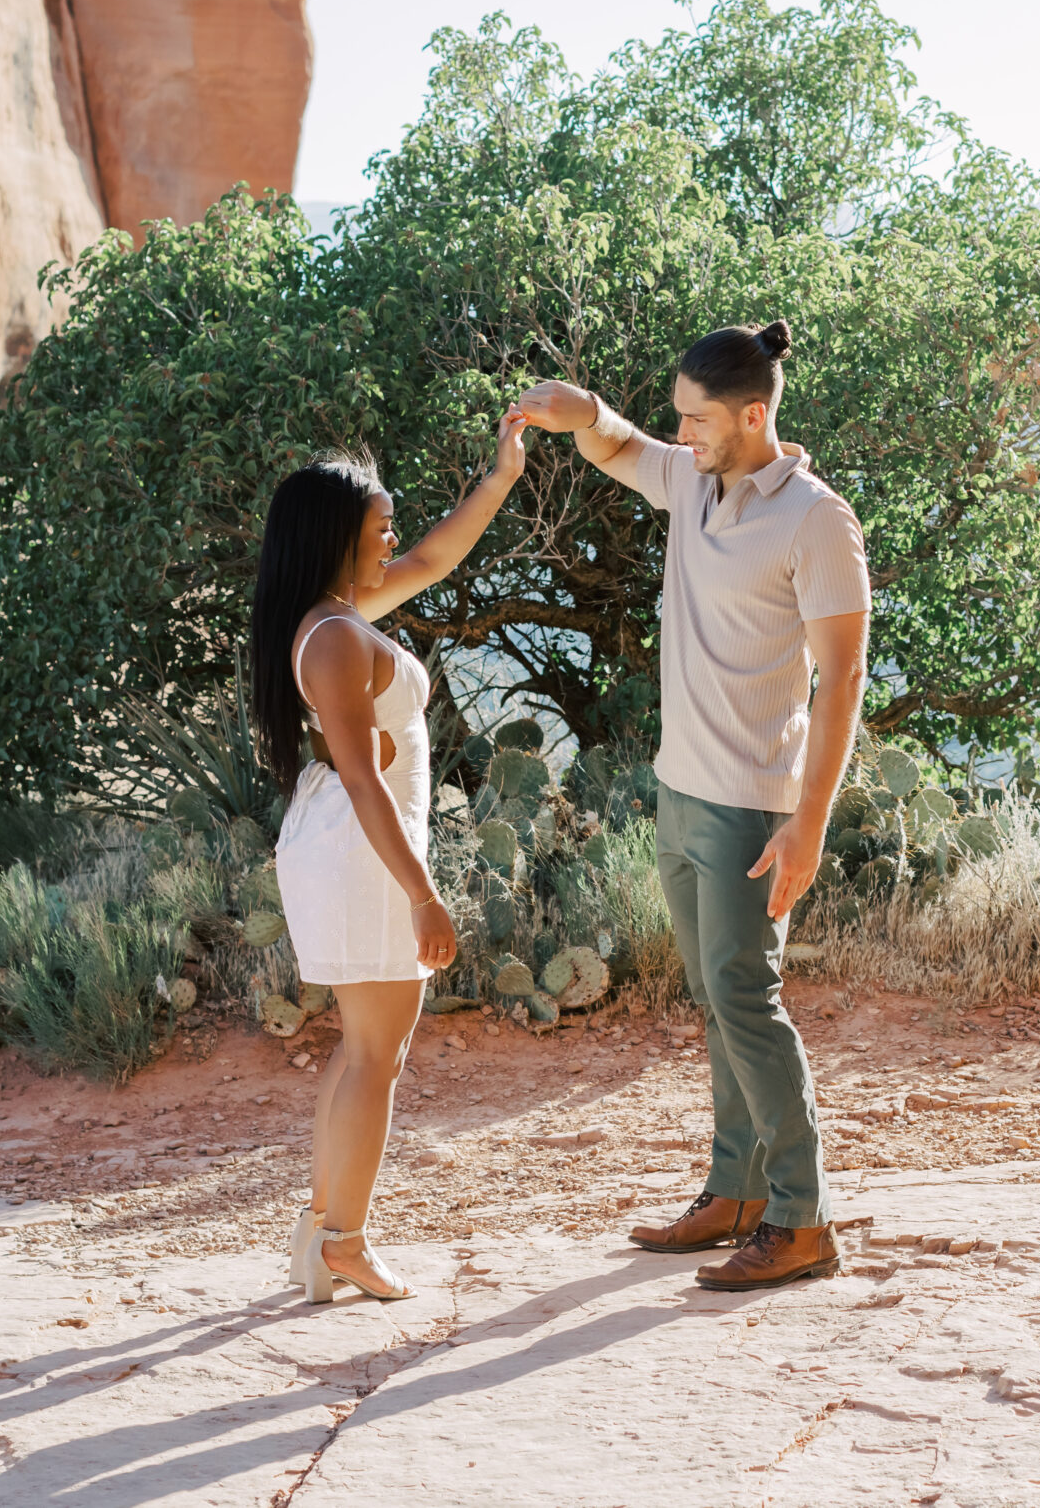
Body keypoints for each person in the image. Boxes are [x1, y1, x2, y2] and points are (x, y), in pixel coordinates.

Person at [515, 319, 870, 1291]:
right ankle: (736, 1192)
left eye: (701, 420)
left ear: (755, 417)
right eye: (680, 418)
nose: (685, 435)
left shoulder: (814, 520)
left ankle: (802, 1220)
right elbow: (620, 444)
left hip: (754, 808)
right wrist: (577, 413)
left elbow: (841, 680)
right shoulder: (693, 481)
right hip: (682, 794)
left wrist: (809, 818)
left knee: (747, 1003)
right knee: (717, 1002)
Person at [248, 417, 529, 1303]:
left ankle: (321, 1230)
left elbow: (437, 559)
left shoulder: (337, 615)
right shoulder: (331, 637)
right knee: (378, 1054)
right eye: (379, 527)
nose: (393, 539)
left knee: (363, 1048)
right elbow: (368, 782)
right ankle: (343, 1241)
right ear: (339, 536)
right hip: (364, 853)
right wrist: (425, 893)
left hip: (348, 847)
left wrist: (501, 475)